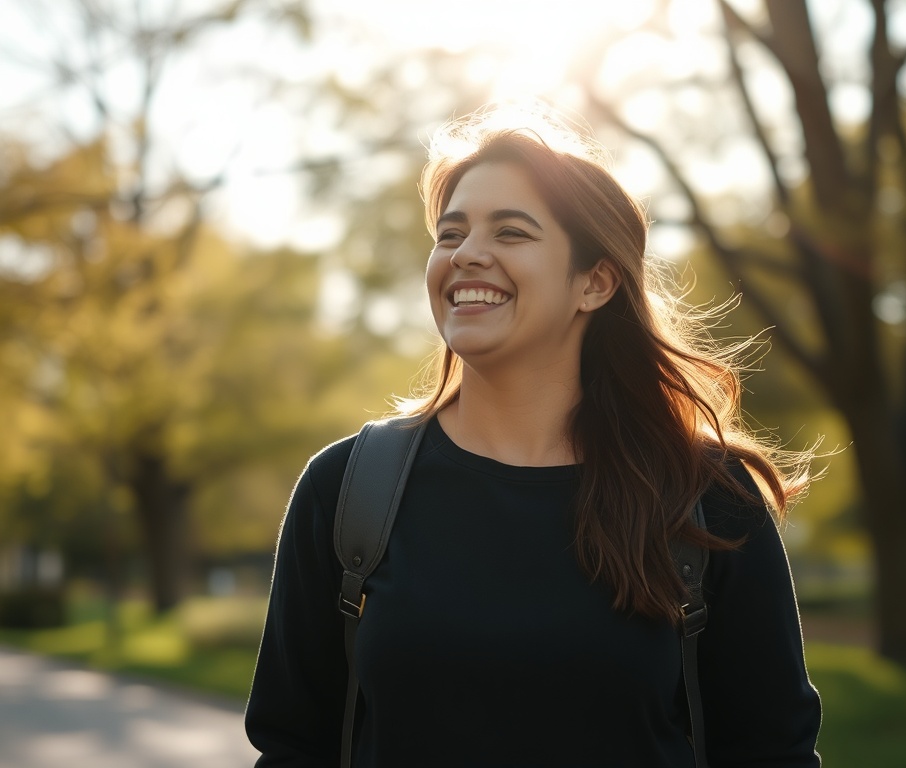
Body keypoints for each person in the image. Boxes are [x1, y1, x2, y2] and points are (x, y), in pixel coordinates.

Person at [245, 106, 822, 767]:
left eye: (511, 233)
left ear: (594, 282)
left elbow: (774, 752)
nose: (466, 255)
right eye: (450, 233)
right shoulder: (347, 490)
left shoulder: (707, 496)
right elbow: (292, 748)